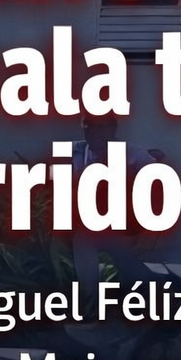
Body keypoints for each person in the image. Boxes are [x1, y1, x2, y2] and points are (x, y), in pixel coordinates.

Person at [70, 113, 163, 292]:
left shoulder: (132, 153)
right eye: (88, 126)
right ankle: (90, 298)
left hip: (121, 225)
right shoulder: (75, 152)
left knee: (134, 274)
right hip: (82, 226)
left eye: (100, 127)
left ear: (113, 129)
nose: (93, 132)